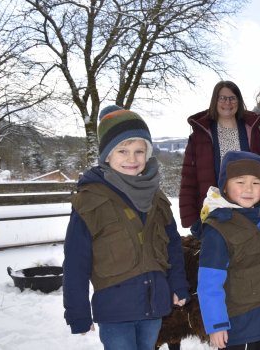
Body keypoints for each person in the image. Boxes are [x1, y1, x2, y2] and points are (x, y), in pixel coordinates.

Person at [63, 107, 189, 349]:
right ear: (107, 156)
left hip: (154, 306)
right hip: (115, 309)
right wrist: (77, 311)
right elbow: (76, 260)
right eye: (122, 151)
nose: (132, 159)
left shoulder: (157, 198)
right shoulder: (91, 200)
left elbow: (172, 245)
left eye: (139, 151)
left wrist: (178, 285)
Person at [196, 150, 260, 350]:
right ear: (225, 187)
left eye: (256, 183)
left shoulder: (258, 220)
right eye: (240, 182)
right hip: (238, 322)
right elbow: (209, 282)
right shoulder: (218, 228)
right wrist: (217, 324)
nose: (249, 189)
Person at [179, 80, 260, 233]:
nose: (227, 102)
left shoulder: (252, 131)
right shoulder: (200, 135)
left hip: (249, 208)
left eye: (232, 98)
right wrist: (190, 218)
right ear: (215, 101)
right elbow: (189, 178)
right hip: (214, 211)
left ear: (239, 101)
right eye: (222, 98)